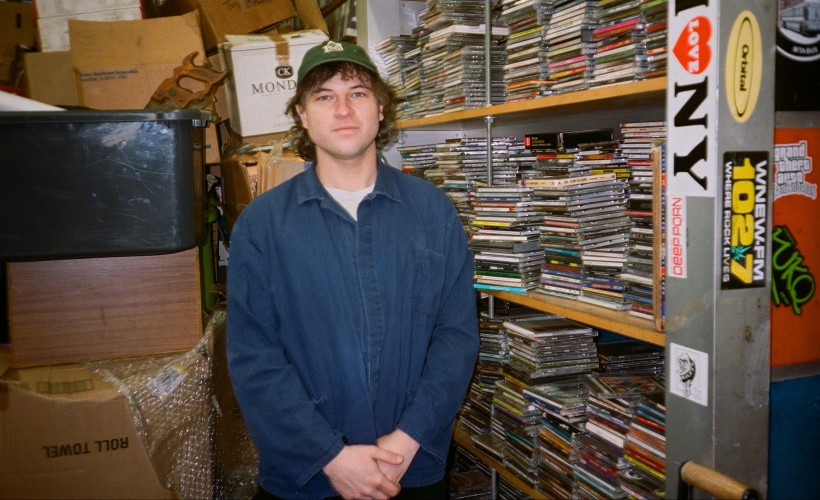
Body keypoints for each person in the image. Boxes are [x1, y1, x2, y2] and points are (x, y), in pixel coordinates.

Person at [226, 39, 480, 499]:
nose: (343, 108)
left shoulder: (433, 212)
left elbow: (456, 338)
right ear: (302, 115)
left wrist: (407, 439)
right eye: (324, 96)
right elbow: (253, 358)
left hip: (409, 467)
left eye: (358, 93)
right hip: (308, 476)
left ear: (381, 109)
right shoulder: (261, 225)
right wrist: (330, 455)